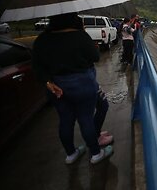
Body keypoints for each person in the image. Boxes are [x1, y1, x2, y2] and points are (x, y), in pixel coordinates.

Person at [32, 12, 113, 165]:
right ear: (72, 20)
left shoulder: (42, 39)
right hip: (82, 84)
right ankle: (96, 154)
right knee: (85, 119)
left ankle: (71, 154)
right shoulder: (79, 36)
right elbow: (95, 57)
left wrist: (48, 83)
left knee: (65, 120)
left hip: (56, 87)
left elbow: (37, 66)